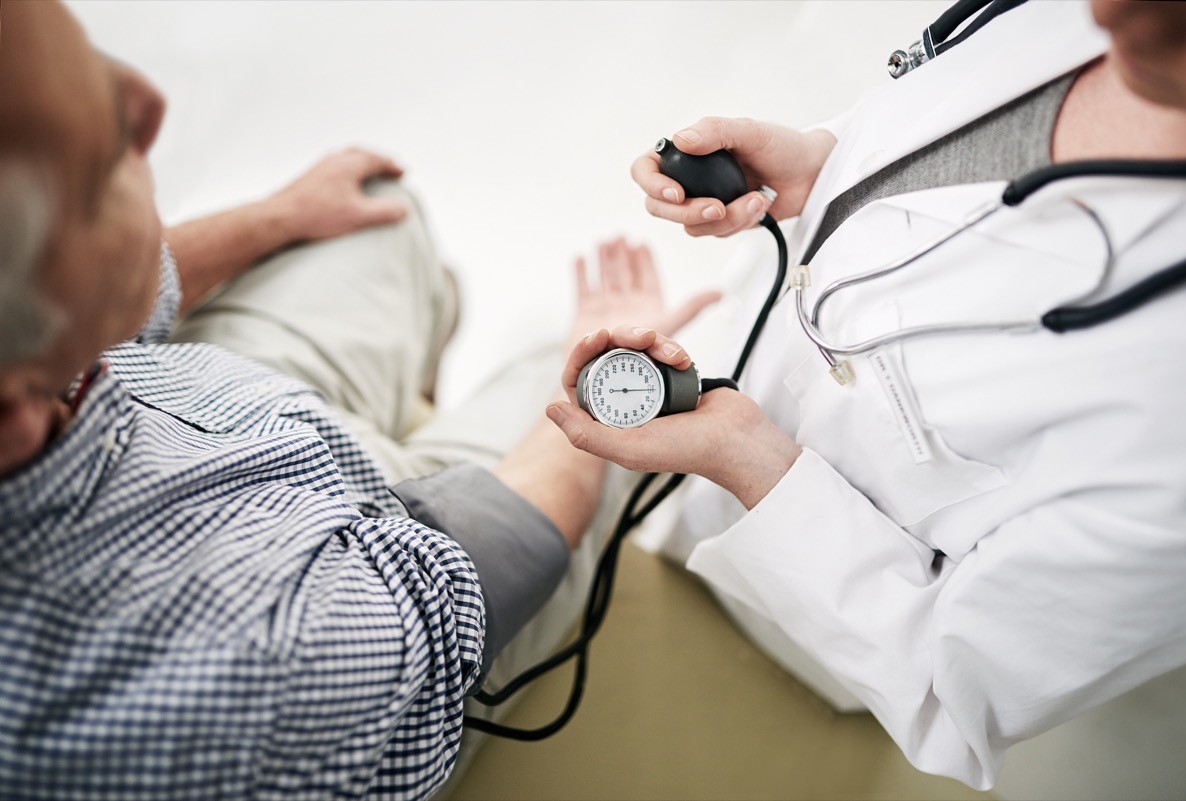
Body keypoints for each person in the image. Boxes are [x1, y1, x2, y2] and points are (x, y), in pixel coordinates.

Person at [0, 2, 716, 798]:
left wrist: (282, 216)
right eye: (98, 175)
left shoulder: (27, 371)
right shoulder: (239, 658)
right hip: (404, 569)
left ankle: (415, 381)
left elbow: (77, 292)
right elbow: (505, 545)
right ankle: (474, 400)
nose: (149, 103)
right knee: (610, 376)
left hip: (228, 415)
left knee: (379, 202)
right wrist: (602, 364)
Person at [546, 0, 1186, 791]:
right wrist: (828, 164)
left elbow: (947, 687)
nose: (1115, 14)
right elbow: (955, 142)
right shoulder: (1097, 17)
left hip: (795, 636)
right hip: (745, 350)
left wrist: (747, 460)